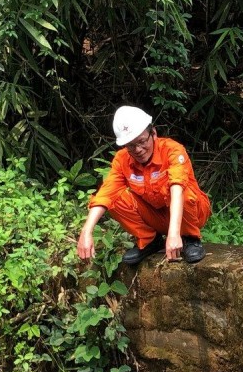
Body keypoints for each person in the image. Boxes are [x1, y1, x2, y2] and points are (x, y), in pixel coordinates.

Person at [77, 106, 211, 265]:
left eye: (141, 142)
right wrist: (86, 231)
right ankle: (150, 241)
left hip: (191, 212)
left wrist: (174, 233)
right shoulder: (122, 160)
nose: (138, 150)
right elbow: (106, 194)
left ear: (153, 133)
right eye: (131, 146)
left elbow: (177, 187)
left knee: (182, 190)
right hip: (157, 215)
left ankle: (190, 238)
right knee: (114, 200)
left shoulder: (173, 150)